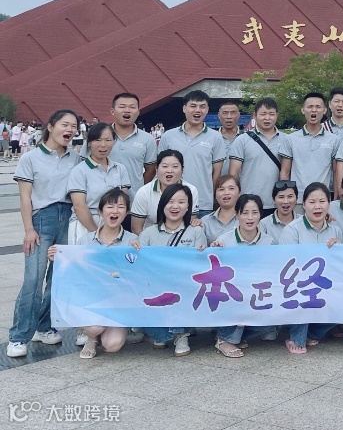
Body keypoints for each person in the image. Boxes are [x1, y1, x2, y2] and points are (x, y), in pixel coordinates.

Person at [7, 110, 81, 358]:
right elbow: (25, 197)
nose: (69, 130)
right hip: (41, 219)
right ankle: (18, 336)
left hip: (67, 218)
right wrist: (29, 229)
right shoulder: (31, 158)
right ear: (50, 126)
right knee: (33, 278)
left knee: (57, 277)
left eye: (73, 126)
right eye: (64, 124)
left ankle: (44, 326)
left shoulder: (76, 158)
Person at [48, 188, 138, 359]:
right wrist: (58, 258)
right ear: (101, 212)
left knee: (112, 345)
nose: (115, 211)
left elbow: (137, 275)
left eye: (120, 207)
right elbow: (75, 269)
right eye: (110, 206)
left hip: (118, 305)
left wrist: (135, 254)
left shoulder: (132, 240)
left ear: (126, 212)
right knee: (94, 328)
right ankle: (92, 338)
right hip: (92, 301)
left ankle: (120, 327)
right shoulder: (86, 240)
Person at [134, 183, 207, 355]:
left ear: (188, 206)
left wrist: (202, 253)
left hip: (184, 287)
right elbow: (139, 266)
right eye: (171, 202)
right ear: (162, 204)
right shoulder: (148, 233)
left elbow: (200, 267)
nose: (175, 206)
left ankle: (181, 334)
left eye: (181, 202)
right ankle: (163, 332)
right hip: (155, 287)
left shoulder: (196, 232)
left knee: (181, 290)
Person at [209, 193, 276, 357]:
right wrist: (214, 251)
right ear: (237, 214)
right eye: (245, 213)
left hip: (257, 294)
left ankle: (237, 336)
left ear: (261, 215)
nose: (250, 217)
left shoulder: (269, 242)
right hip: (232, 295)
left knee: (271, 327)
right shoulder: (224, 240)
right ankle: (224, 339)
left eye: (255, 212)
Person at [280, 182, 343, 353]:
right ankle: (296, 338)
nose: (317, 206)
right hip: (298, 284)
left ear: (329, 204)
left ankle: (311, 333)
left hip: (325, 283)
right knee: (303, 293)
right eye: (312, 202)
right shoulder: (292, 229)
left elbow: (341, 264)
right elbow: (286, 264)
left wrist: (339, 248)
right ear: (304, 204)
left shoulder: (335, 231)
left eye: (322, 201)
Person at [158, 90, 225, 215]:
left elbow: (216, 174)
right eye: (193, 106)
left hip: (203, 204)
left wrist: (213, 198)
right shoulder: (168, 136)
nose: (198, 110)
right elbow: (160, 170)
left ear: (207, 110)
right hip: (171, 202)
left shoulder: (216, 137)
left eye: (202, 107)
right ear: (184, 108)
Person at [67, 123, 132, 244]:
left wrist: (110, 229)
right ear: (89, 143)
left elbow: (122, 202)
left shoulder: (120, 169)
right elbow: (79, 206)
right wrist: (97, 234)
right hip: (84, 224)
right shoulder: (79, 170)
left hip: (112, 222)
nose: (103, 145)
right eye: (98, 140)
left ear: (114, 142)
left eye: (108, 140)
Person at [228, 97, 286, 215]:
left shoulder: (286, 139)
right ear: (255, 115)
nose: (267, 118)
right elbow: (233, 174)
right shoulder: (242, 140)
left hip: (277, 203)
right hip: (248, 203)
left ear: (277, 115)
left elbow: (287, 172)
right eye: (263, 114)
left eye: (271, 114)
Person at [100, 93, 158, 201]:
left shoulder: (147, 139)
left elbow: (150, 170)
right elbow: (85, 164)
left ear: (138, 112)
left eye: (132, 107)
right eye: (122, 107)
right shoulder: (99, 136)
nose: (127, 110)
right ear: (112, 111)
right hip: (100, 200)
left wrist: (138, 189)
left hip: (134, 201)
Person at [279, 92, 339, 196]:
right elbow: (285, 171)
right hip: (297, 198)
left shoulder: (334, 140)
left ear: (325, 110)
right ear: (303, 110)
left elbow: (336, 172)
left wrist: (336, 198)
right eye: (309, 107)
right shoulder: (290, 139)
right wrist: (286, 197)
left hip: (322, 199)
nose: (314, 110)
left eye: (318, 107)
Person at [130, 150, 202, 232]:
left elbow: (191, 222)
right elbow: (136, 228)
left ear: (182, 170)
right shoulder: (144, 192)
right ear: (156, 169)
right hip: (150, 238)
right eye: (165, 166)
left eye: (175, 166)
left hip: (181, 237)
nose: (169, 170)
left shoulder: (191, 190)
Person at [201, 175, 241, 244]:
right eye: (221, 189)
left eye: (231, 188)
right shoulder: (205, 221)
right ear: (215, 195)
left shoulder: (246, 218)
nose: (226, 193)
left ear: (239, 193)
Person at [217, 101, 241, 176]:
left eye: (233, 113)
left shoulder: (247, 138)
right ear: (219, 115)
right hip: (217, 181)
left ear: (239, 115)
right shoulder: (212, 138)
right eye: (225, 113)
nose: (229, 117)